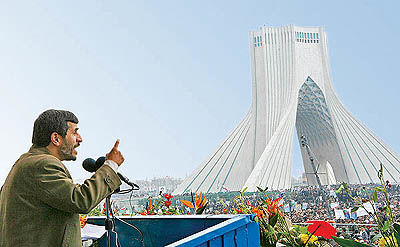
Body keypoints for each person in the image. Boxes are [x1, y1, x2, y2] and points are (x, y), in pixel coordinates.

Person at [0, 109, 124, 247]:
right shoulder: (42, 165)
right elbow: (80, 200)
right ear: (56, 139)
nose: (80, 138)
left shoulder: (26, 161)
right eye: (74, 132)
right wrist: (111, 166)